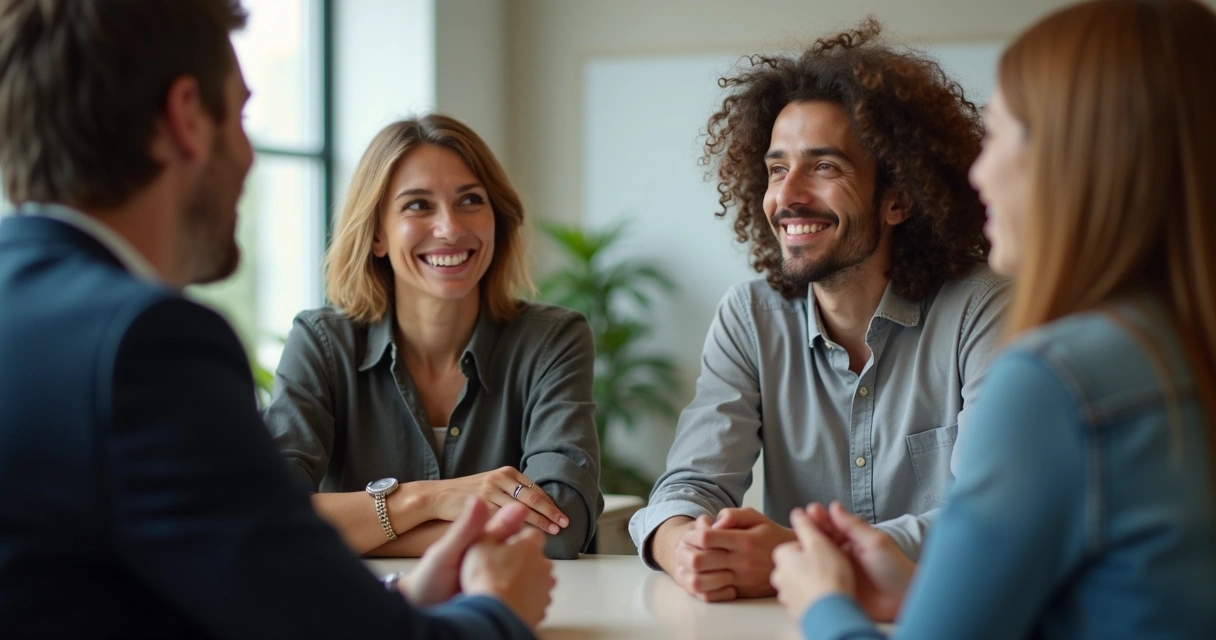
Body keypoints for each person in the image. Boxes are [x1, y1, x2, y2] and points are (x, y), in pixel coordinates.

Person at [0, 1, 555, 637]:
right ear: (187, 117)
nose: (248, 156)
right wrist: (496, 612)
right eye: (239, 115)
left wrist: (404, 594)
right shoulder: (144, 346)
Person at [770, 0, 1216, 637]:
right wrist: (922, 594)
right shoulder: (1175, 352)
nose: (977, 173)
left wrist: (823, 603)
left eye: (998, 133)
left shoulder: (1058, 380)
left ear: (1076, 161)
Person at [628, 19, 1011, 601]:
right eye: (777, 168)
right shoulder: (750, 317)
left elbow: (991, 519)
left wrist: (792, 554)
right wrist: (688, 548)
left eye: (825, 166)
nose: (787, 195)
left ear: (899, 198)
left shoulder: (983, 309)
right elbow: (687, 487)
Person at [262, 115, 603, 560]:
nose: (450, 228)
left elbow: (559, 527)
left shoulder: (554, 340)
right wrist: (428, 499)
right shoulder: (321, 342)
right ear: (378, 233)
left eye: (470, 200)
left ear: (496, 220)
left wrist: (360, 529)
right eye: (418, 205)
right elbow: (271, 513)